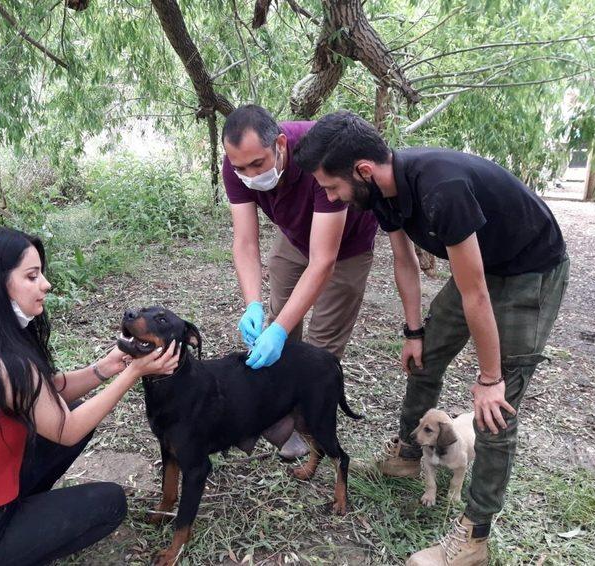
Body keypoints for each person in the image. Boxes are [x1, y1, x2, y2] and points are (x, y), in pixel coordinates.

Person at [293, 111, 569, 566]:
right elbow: (405, 262)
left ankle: (473, 538)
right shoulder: (382, 192)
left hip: (529, 271)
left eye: (331, 187)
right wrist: (414, 331)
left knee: (494, 410)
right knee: (421, 360)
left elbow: (477, 290)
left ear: (361, 170)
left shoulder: (442, 189)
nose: (330, 197)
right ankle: (407, 453)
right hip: (482, 270)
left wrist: (491, 376)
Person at [0, 225, 180, 565]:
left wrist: (104, 368)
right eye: (32, 276)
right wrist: (134, 373)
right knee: (110, 502)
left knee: (71, 406)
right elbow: (66, 429)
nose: (45, 284)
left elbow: (46, 391)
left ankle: (24, 508)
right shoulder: (5, 363)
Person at [221, 105, 378, 459]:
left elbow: (324, 261)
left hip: (346, 246)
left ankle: (310, 424)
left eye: (257, 164)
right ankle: (279, 416)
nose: (249, 174)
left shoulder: (321, 154)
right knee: (280, 321)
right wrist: (253, 304)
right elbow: (245, 241)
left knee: (320, 348)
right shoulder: (237, 165)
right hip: (294, 237)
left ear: (279, 144)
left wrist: (278, 329)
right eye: (240, 167)